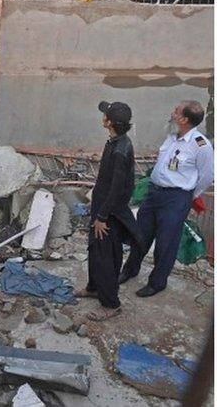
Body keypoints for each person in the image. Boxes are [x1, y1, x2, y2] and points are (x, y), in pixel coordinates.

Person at [121, 101, 214, 297]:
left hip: (176, 198)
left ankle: (157, 283)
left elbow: (206, 176)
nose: (172, 114)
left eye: (176, 112)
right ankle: (130, 270)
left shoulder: (201, 145)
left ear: (184, 119)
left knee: (166, 243)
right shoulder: (172, 136)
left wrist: (188, 195)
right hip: (154, 193)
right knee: (140, 234)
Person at [77, 102, 139, 322]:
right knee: (95, 250)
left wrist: (102, 217)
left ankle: (111, 304)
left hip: (109, 214)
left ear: (109, 122)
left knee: (106, 257)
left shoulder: (121, 150)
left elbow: (118, 188)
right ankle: (94, 288)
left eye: (105, 114)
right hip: (101, 208)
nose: (102, 116)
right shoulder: (115, 142)